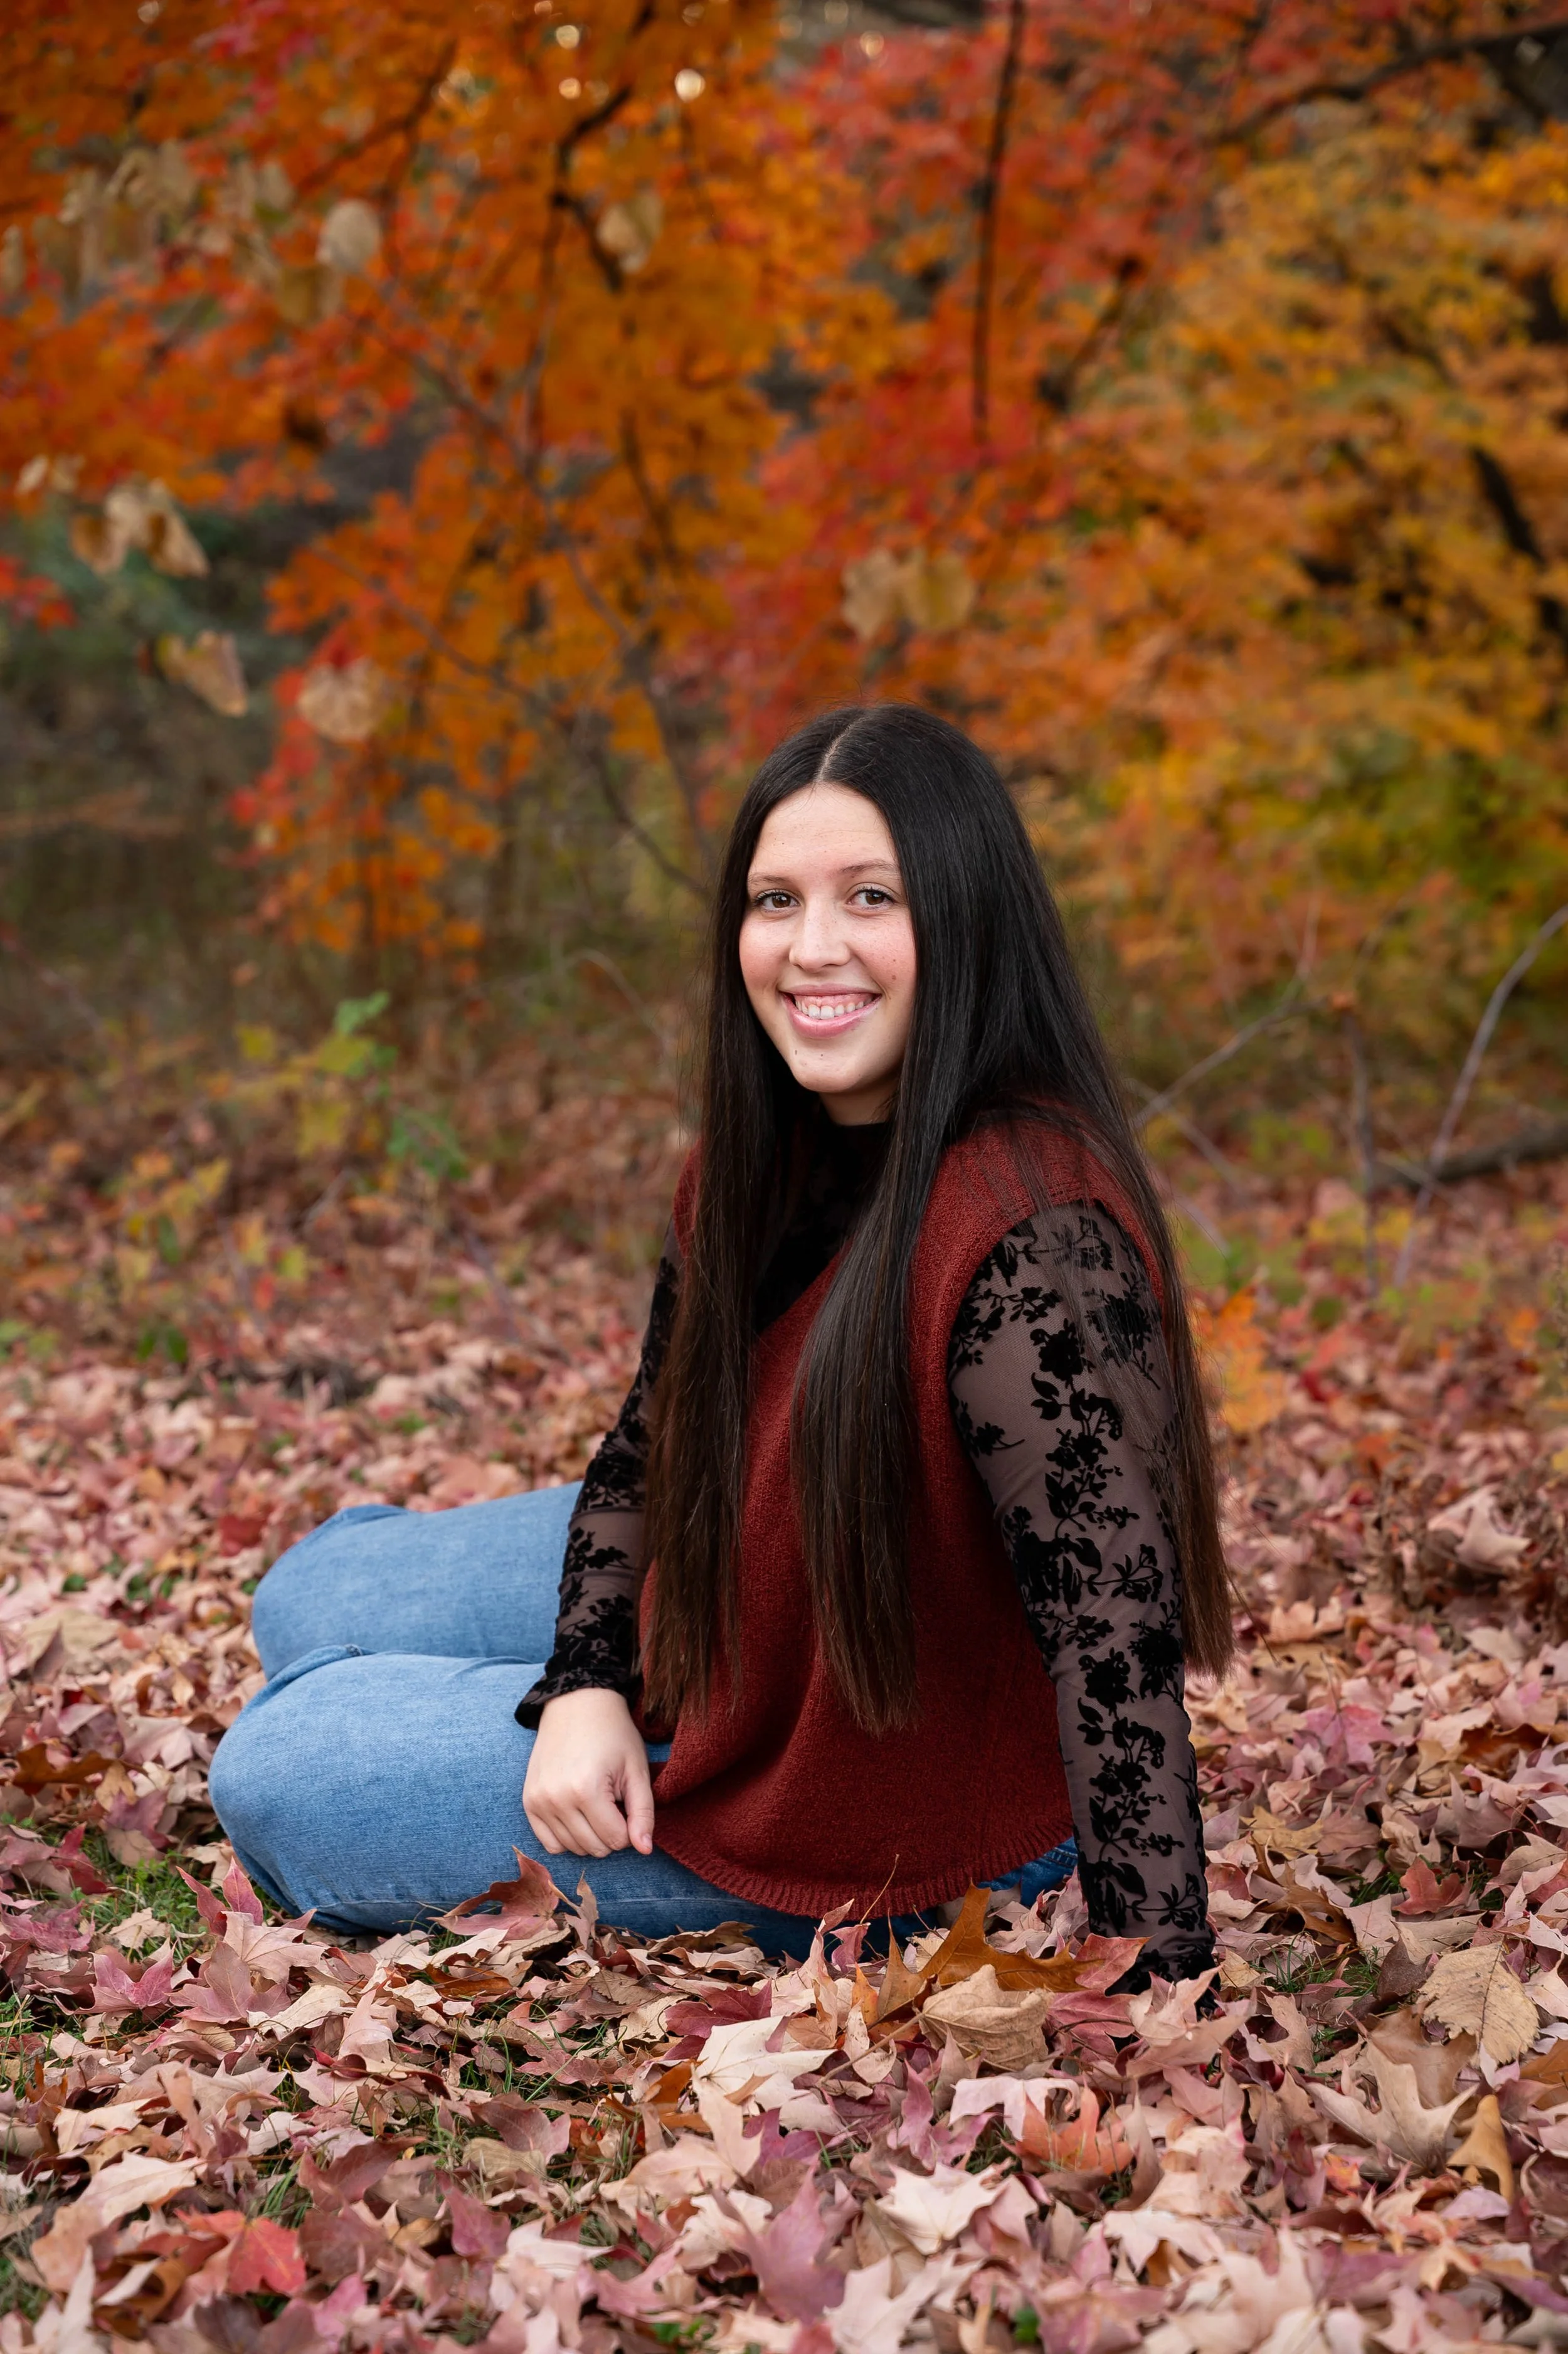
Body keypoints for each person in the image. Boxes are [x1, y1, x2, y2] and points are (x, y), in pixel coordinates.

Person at [209, 704, 1232, 1982]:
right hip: (750, 1591)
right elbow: (654, 1443)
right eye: (772, 900)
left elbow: (1112, 1643)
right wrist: (583, 1682)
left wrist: (1157, 1986)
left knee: (279, 1764)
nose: (810, 948)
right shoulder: (760, 1162)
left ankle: (464, 1722)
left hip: (890, 1814)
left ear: (966, 919)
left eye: (870, 896)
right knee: (310, 1593)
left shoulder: (1031, 1233)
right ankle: (518, 1690)